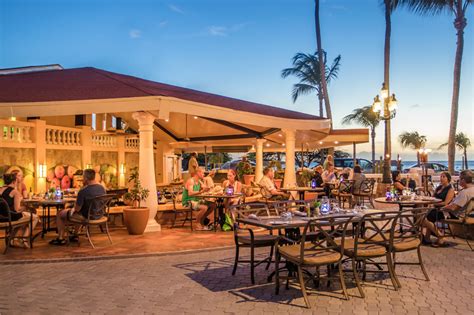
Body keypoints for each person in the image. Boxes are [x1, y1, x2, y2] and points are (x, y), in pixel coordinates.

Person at [49, 169, 106, 245]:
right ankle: (75, 235)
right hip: (99, 215)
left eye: (83, 177)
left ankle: (60, 239)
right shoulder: (102, 188)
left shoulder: (83, 191)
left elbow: (77, 209)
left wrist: (72, 208)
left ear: (85, 178)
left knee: (60, 213)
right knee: (79, 211)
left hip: (87, 217)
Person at [0, 173, 38, 248]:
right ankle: (24, 239)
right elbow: (17, 210)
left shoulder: (0, 189)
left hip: (1, 217)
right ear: (14, 181)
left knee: (23, 219)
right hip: (10, 217)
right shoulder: (15, 192)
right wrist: (26, 207)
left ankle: (11, 239)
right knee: (35, 217)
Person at [422, 172, 455, 246]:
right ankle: (427, 238)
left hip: (444, 210)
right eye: (441, 176)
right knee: (425, 215)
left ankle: (440, 236)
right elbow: (432, 198)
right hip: (435, 209)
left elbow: (446, 203)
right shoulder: (439, 187)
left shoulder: (450, 189)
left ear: (448, 179)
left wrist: (433, 204)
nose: (441, 178)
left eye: (444, 177)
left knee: (425, 217)